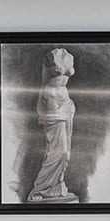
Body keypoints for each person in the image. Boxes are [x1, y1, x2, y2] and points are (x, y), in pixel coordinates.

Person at [27, 47, 77, 204]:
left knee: (65, 153)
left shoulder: (67, 56)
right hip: (52, 101)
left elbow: (68, 71)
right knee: (58, 152)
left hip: (65, 102)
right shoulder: (52, 57)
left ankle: (56, 187)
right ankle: (40, 189)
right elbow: (46, 80)